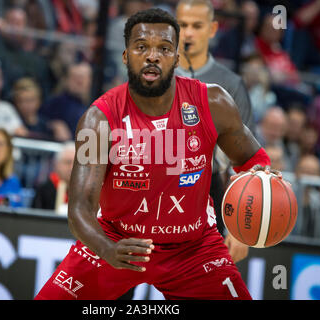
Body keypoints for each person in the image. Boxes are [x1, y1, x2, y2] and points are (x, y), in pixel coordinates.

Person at [35, 8, 279, 300]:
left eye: (164, 48)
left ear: (177, 58)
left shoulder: (213, 102)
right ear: (126, 56)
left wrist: (250, 212)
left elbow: (252, 161)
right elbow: (78, 209)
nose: (152, 56)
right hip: (117, 238)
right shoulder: (98, 119)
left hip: (193, 247)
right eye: (141, 47)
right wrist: (106, 248)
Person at [175, 0, 255, 263]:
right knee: (117, 283)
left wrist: (239, 228)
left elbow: (245, 160)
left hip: (209, 190)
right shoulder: (152, 74)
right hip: (151, 189)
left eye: (196, 26)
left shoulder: (231, 84)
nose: (188, 33)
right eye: (182, 25)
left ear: (212, 29)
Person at [40, 62, 92, 141]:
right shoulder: (56, 102)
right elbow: (38, 121)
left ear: (89, 81)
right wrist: (54, 125)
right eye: (75, 77)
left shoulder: (93, 105)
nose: (79, 82)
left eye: (83, 77)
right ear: (66, 80)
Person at [32, 142, 75, 214]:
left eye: (76, 164)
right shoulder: (44, 190)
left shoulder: (86, 192)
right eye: (68, 162)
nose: (72, 167)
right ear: (57, 164)